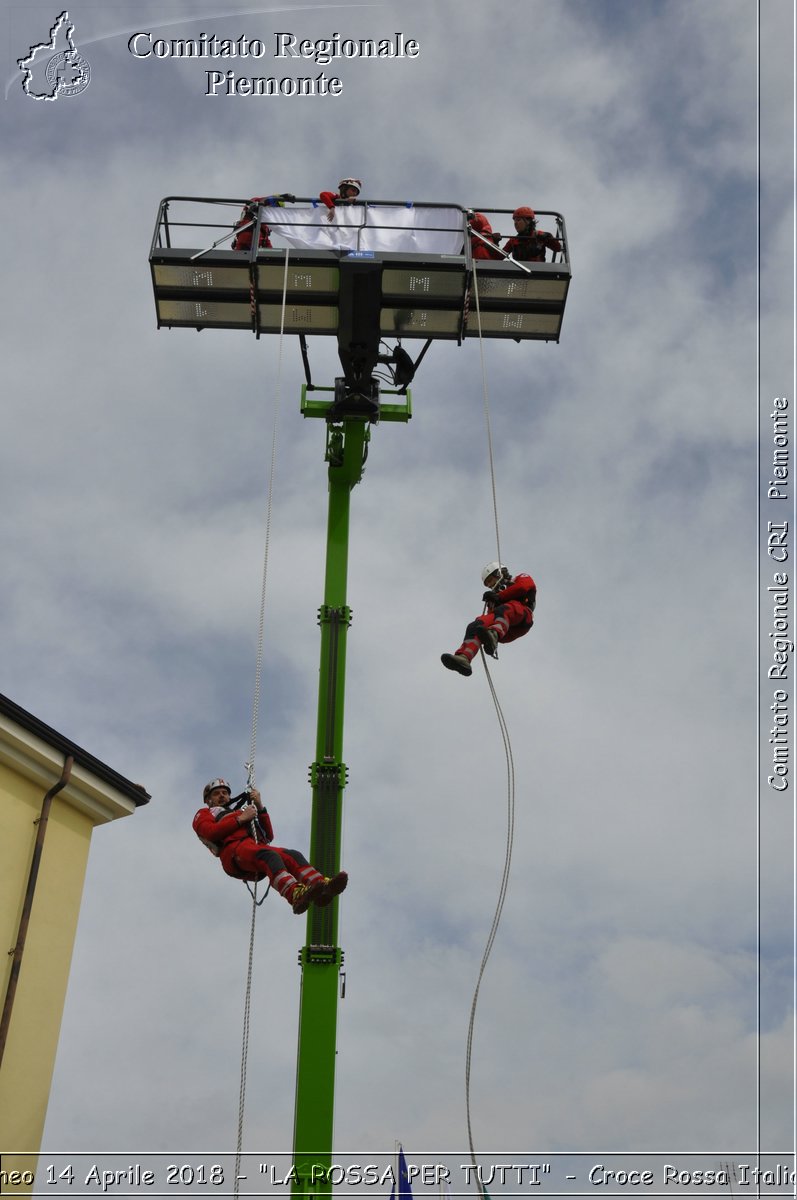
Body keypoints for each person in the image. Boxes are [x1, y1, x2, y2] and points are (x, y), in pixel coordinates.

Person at [193, 778, 348, 914]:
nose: (222, 796)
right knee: (269, 857)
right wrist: (240, 819)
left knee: (292, 855)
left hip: (250, 846)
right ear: (208, 800)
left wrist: (259, 807)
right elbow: (210, 832)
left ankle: (320, 886)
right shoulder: (205, 814)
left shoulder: (239, 812)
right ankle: (294, 894)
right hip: (233, 852)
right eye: (216, 793)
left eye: (224, 792)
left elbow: (267, 836)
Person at [441, 562, 537, 677]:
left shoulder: (520, 578)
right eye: (488, 585)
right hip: (505, 629)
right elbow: (491, 617)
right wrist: (492, 603)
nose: (491, 585)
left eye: (491, 580)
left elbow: (522, 587)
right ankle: (464, 657)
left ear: (499, 573)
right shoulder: (495, 598)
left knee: (506, 609)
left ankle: (494, 634)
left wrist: (499, 597)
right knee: (475, 625)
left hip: (522, 616)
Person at [231, 194, 296, 251]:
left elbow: (265, 241)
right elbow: (262, 202)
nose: (272, 211)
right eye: (274, 206)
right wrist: (281, 197)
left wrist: (274, 254)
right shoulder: (255, 204)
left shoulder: (265, 225)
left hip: (253, 248)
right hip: (245, 244)